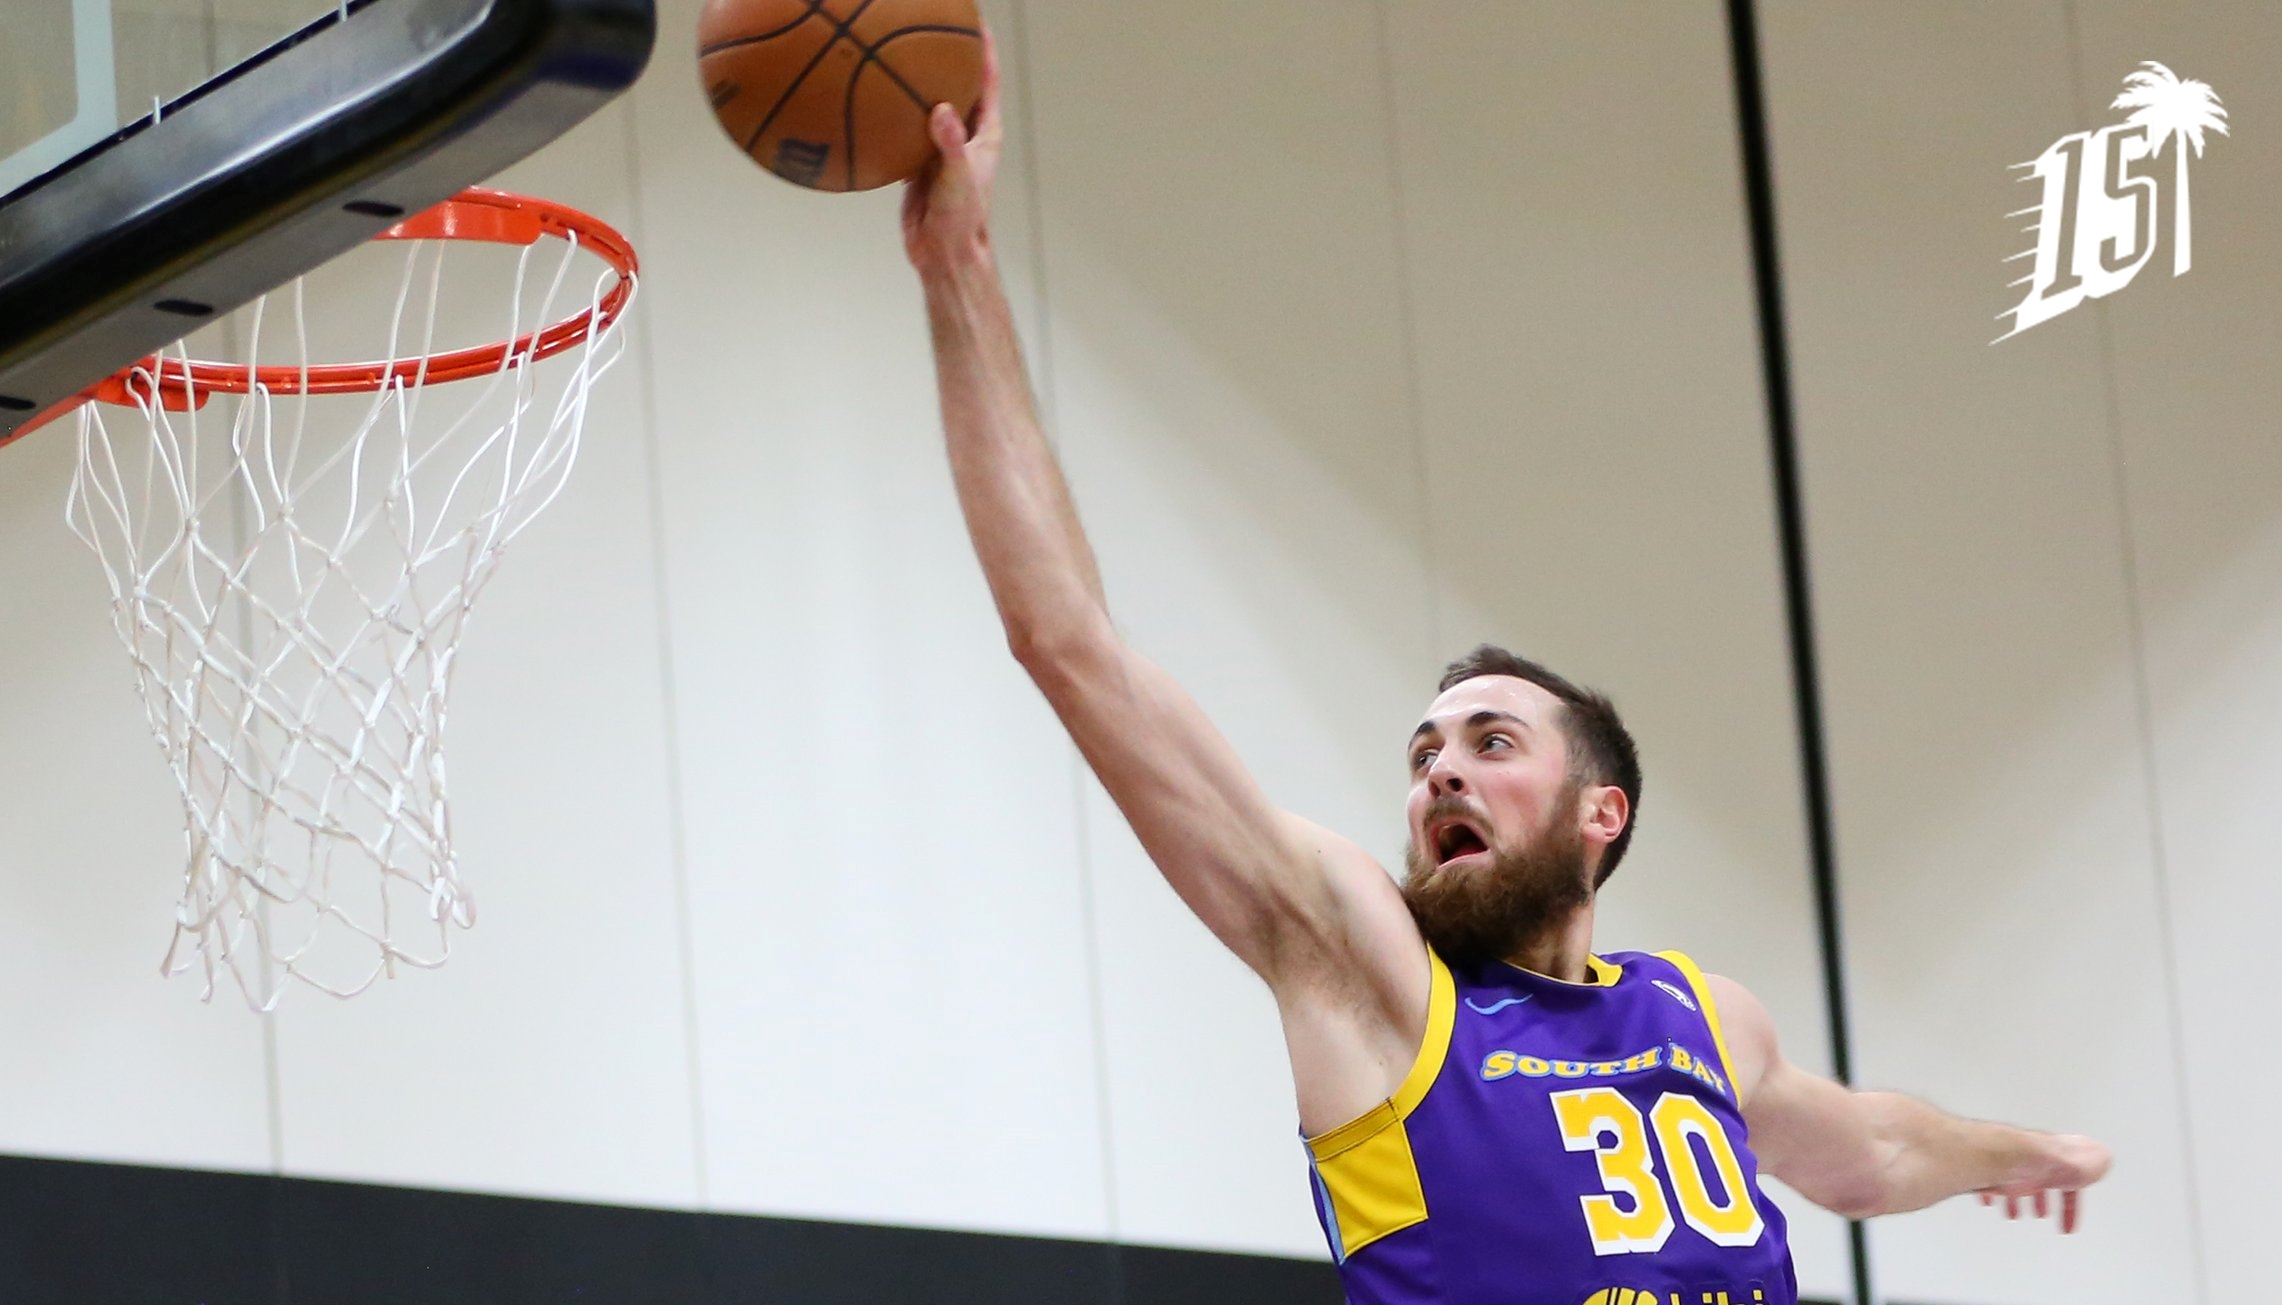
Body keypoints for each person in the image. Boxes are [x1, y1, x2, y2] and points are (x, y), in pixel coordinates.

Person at [898, 34, 2111, 1305]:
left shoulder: (1700, 1019)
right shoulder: (1369, 974)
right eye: (1423, 754)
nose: (1437, 775)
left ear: (1602, 812)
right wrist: (958, 270)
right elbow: (1071, 646)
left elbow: (1868, 1152)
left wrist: (2016, 1153)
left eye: (1489, 743)